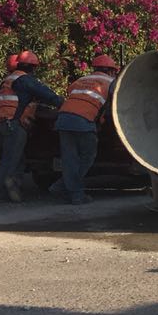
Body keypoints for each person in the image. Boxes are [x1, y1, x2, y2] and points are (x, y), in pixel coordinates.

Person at [0, 50, 63, 203]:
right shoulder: (25, 80)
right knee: (12, 159)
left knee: (12, 158)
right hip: (13, 125)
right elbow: (46, 95)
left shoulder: (7, 80)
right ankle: (4, 189)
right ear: (33, 67)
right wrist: (62, 102)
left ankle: (11, 188)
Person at [53, 54, 120, 205]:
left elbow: (74, 96)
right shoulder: (111, 82)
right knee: (87, 156)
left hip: (63, 119)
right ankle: (73, 193)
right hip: (83, 121)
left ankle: (65, 188)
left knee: (70, 159)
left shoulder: (81, 80)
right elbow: (118, 101)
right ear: (111, 71)